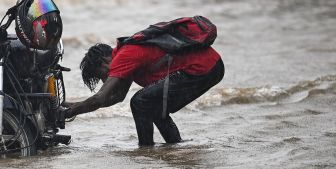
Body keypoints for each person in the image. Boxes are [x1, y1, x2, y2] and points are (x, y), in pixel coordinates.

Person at [63, 36, 224, 146]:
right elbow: (118, 97)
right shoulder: (125, 56)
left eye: (102, 75)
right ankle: (175, 145)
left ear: (105, 60)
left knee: (140, 102)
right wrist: (72, 105)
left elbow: (100, 98)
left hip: (203, 67)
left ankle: (146, 149)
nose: (106, 80)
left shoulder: (123, 56)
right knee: (151, 104)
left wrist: (70, 112)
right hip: (212, 66)